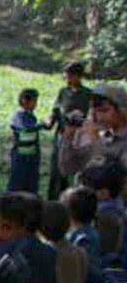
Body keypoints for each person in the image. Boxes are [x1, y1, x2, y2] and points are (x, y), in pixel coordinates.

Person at [58, 83, 127, 179]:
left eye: (104, 111)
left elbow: (111, 175)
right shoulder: (101, 135)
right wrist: (68, 138)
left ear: (122, 111)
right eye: (95, 111)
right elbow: (67, 169)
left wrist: (95, 139)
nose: (98, 117)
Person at [49, 62, 92, 201]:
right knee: (57, 167)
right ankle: (55, 197)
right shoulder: (63, 92)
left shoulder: (87, 94)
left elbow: (90, 115)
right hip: (62, 133)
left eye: (69, 76)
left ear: (78, 76)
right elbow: (56, 110)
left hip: (79, 136)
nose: (67, 78)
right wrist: (50, 122)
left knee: (75, 168)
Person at [8, 89, 43, 194]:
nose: (36, 104)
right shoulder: (18, 115)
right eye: (34, 101)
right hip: (20, 156)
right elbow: (25, 128)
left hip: (32, 156)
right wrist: (42, 125)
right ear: (24, 101)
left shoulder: (31, 116)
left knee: (31, 184)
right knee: (17, 185)